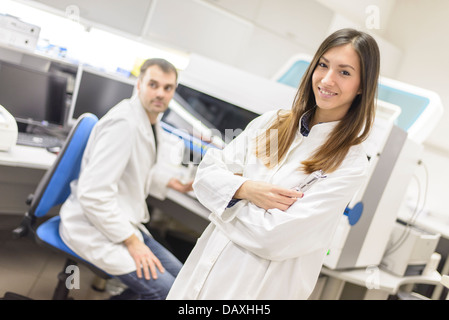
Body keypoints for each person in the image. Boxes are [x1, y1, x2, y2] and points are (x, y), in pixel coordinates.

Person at [167, 28, 380, 300]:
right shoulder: (271, 123)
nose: (327, 79)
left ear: (363, 85)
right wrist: (246, 189)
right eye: (323, 65)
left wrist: (225, 200)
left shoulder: (349, 163)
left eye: (345, 72)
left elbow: (272, 238)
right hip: (202, 275)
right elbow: (205, 178)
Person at [59, 58, 192, 300]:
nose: (160, 93)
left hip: (122, 223)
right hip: (93, 226)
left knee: (184, 283)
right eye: (153, 84)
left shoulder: (150, 120)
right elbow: (92, 194)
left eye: (168, 87)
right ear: (139, 84)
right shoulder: (124, 123)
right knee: (169, 293)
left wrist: (173, 183)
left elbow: (138, 170)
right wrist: (132, 242)